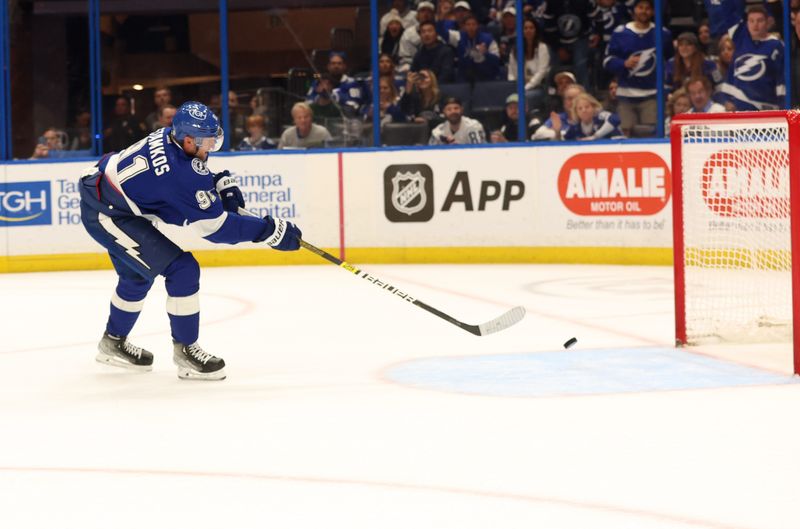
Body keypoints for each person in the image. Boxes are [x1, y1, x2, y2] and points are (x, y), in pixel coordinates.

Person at [78, 101, 302, 381]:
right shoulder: (177, 174)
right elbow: (215, 228)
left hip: (113, 199)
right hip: (107, 213)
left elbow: (189, 177)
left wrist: (217, 183)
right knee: (182, 269)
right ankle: (185, 351)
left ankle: (113, 343)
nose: (210, 147)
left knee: (137, 277)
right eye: (206, 142)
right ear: (186, 139)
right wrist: (268, 231)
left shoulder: (169, 137)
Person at [603, 0, 673, 136]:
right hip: (626, 96)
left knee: (652, 135)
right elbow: (607, 61)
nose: (644, 11)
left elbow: (670, 60)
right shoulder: (620, 33)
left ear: (653, 11)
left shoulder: (662, 34)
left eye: (648, 8)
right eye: (640, 7)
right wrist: (623, 64)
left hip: (652, 95)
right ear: (634, 10)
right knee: (626, 135)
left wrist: (666, 85)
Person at [718, 5, 785, 111]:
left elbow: (781, 78)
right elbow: (728, 12)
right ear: (747, 23)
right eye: (751, 21)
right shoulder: (740, 38)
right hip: (738, 107)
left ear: (768, 22)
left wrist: (783, 106)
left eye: (760, 20)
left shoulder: (777, 46)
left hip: (765, 108)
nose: (755, 25)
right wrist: (727, 99)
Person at [508, 17, 550, 113]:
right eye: (525, 28)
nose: (528, 30)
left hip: (538, 87)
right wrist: (513, 86)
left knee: (524, 97)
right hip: (519, 87)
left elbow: (542, 71)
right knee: (509, 97)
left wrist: (526, 87)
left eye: (531, 28)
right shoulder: (515, 50)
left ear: (536, 30)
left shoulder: (542, 47)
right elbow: (512, 72)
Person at [455, 14, 502, 82]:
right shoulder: (458, 37)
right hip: (465, 78)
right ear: (464, 26)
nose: (471, 27)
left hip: (486, 78)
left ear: (478, 26)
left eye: (473, 24)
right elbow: (444, 34)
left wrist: (486, 53)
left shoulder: (488, 39)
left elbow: (497, 60)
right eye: (468, 24)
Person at [559, 92, 625, 141]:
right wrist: (557, 132)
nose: (584, 110)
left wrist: (595, 136)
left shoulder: (601, 118)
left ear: (594, 107)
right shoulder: (575, 127)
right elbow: (565, 141)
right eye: (580, 108)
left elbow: (616, 119)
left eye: (587, 107)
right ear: (576, 112)